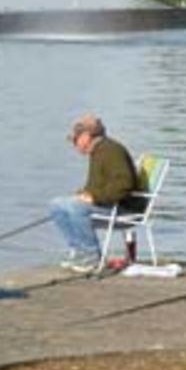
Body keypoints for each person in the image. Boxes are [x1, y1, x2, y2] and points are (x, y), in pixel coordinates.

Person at [49, 114, 139, 273]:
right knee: (57, 204)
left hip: (123, 210)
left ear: (85, 136)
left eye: (75, 139)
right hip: (106, 205)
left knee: (76, 207)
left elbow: (124, 184)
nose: (74, 144)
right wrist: (84, 194)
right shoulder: (97, 151)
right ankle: (79, 252)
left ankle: (92, 258)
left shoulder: (111, 151)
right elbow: (97, 187)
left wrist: (94, 197)